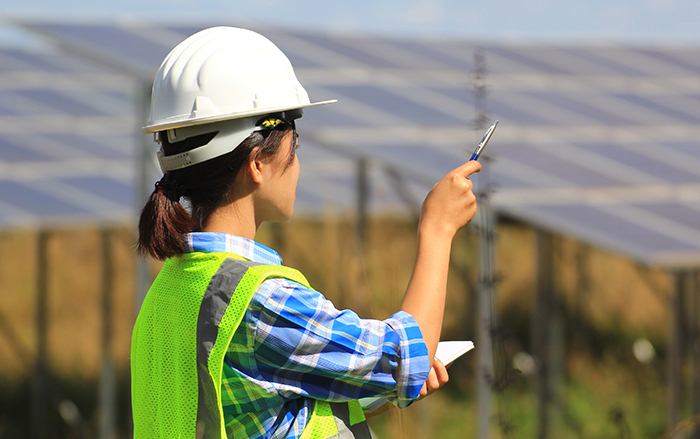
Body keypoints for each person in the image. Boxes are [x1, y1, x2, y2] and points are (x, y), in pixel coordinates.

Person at [131, 26, 481, 439]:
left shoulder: (170, 291)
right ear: (257, 163)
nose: (297, 164)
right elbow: (405, 354)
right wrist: (437, 228)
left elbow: (255, 410)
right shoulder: (260, 300)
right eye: (294, 148)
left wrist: (379, 387)